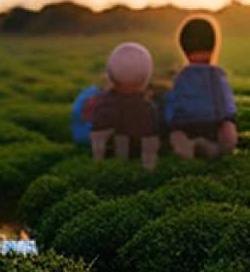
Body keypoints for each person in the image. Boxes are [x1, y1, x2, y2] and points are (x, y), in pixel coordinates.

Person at [166, 14, 237, 159]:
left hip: (187, 127)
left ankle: (188, 146)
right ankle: (215, 149)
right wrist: (227, 119)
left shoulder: (182, 76)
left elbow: (173, 105)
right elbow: (227, 106)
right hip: (214, 127)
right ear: (213, 45)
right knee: (228, 129)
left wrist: (171, 122)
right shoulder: (217, 74)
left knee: (176, 135)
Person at [90, 41, 159, 170]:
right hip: (138, 168)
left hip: (108, 169)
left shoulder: (101, 106)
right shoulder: (149, 110)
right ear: (146, 78)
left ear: (110, 73)